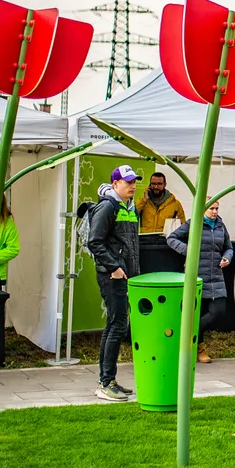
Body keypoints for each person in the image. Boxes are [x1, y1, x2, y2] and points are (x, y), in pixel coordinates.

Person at [87, 165, 142, 401]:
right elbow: (94, 241)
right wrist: (115, 267)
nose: (133, 185)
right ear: (115, 184)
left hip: (125, 274)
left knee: (117, 325)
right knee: (116, 325)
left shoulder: (129, 208)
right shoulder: (108, 206)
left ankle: (109, 380)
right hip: (112, 275)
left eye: (134, 181)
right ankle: (105, 382)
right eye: (128, 181)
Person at [167, 201, 233, 365]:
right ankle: (199, 348)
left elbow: (228, 247)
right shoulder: (193, 223)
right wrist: (187, 250)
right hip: (196, 275)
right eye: (211, 208)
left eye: (217, 208)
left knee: (218, 310)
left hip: (216, 275)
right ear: (203, 209)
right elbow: (171, 238)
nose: (215, 211)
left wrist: (227, 257)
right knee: (198, 311)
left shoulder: (220, 226)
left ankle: (185, 337)